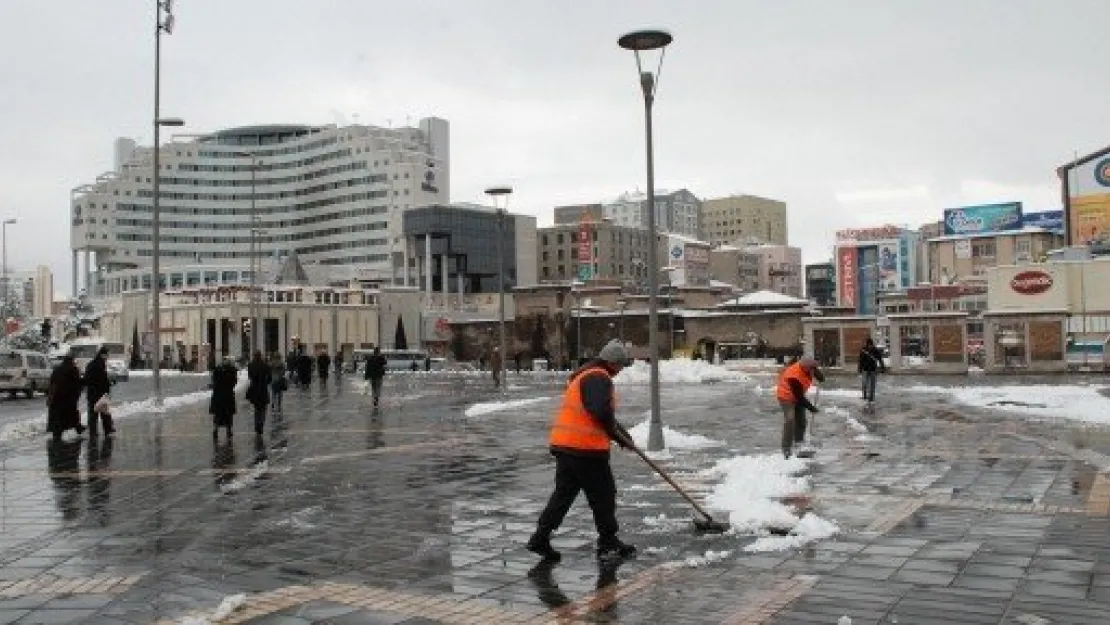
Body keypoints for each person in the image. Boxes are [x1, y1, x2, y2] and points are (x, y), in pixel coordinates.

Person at [528, 339, 637, 562]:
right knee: (604, 495)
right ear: (612, 363)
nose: (621, 370)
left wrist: (622, 435)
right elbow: (600, 412)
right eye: (621, 365)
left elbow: (603, 414)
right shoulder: (599, 377)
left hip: (566, 446)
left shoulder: (585, 375)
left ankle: (540, 537)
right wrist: (618, 436)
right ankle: (608, 542)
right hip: (585, 450)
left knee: (563, 495)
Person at [775, 356, 825, 459]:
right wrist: (812, 408)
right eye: (812, 369)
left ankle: (798, 443)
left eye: (814, 368)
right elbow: (800, 398)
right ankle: (786, 449)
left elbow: (819, 375)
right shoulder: (794, 375)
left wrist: (820, 376)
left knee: (802, 421)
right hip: (786, 397)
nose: (813, 371)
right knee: (790, 419)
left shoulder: (809, 367)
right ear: (806, 368)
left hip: (797, 395)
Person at [47, 353, 85, 442]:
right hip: (68, 398)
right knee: (71, 414)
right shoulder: (73, 369)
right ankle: (77, 427)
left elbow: (52, 383)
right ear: (71, 361)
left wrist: (50, 397)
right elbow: (77, 383)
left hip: (56, 397)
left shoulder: (56, 369)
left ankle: (57, 434)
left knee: (57, 417)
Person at [83, 347, 116, 437]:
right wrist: (108, 386)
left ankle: (93, 432)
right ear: (102, 354)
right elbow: (103, 380)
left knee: (93, 414)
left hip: (91, 394)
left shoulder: (90, 364)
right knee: (104, 412)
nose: (108, 357)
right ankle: (108, 429)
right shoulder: (101, 364)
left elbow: (86, 379)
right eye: (107, 355)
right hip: (100, 394)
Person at [209, 357, 238, 440]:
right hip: (228, 396)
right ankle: (228, 430)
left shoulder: (217, 370)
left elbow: (214, 381)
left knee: (218, 415)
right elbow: (234, 382)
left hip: (218, 395)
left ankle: (216, 429)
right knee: (228, 414)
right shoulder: (232, 371)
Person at [246, 351, 272, 436]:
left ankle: (257, 424)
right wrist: (265, 382)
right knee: (263, 408)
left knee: (257, 408)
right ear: (261, 356)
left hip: (254, 389)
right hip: (263, 389)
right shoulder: (265, 366)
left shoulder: (251, 365)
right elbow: (269, 378)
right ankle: (261, 423)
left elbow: (250, 376)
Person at [858, 338, 887, 404]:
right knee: (865, 383)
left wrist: (882, 367)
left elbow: (879, 359)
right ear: (867, 344)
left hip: (873, 369)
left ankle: (871, 397)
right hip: (865, 369)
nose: (869, 346)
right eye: (868, 345)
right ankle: (865, 395)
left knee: (872, 384)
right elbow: (860, 360)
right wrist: (860, 368)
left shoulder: (875, 350)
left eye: (870, 345)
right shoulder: (863, 350)